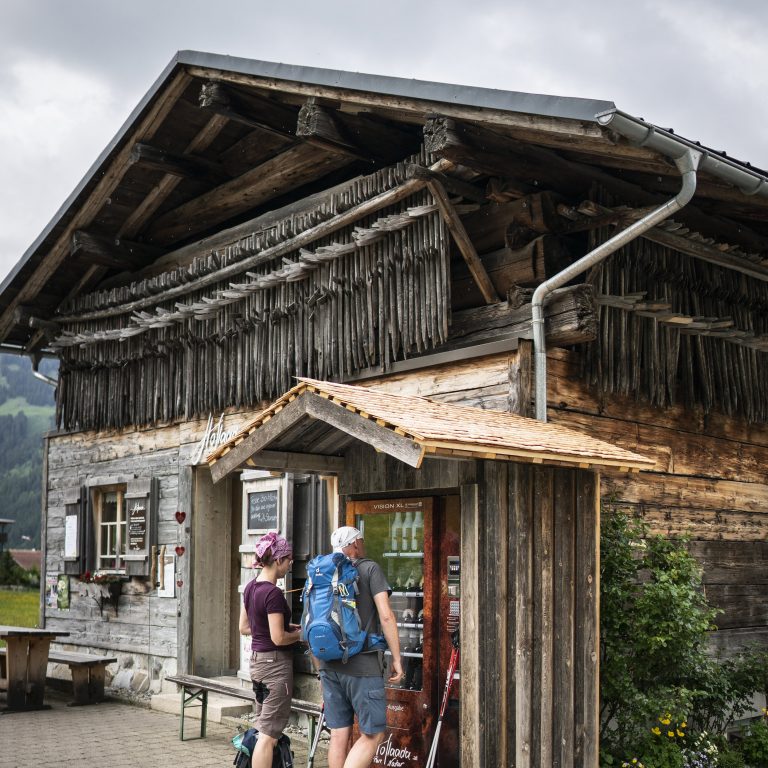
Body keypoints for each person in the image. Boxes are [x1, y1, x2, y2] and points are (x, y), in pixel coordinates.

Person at [318, 526, 404, 768]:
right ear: (355, 544)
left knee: (338, 734)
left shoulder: (324, 571)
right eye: (362, 540)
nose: (363, 544)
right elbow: (386, 616)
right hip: (362, 665)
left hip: (328, 663)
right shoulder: (370, 568)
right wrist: (397, 658)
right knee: (372, 734)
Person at [239, 532, 301, 768]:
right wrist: (301, 634)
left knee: (263, 726)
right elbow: (278, 638)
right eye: (288, 559)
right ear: (277, 560)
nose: (290, 563)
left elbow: (245, 627)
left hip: (257, 664)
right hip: (275, 666)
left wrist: (284, 627)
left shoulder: (251, 587)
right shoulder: (273, 593)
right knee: (268, 734)